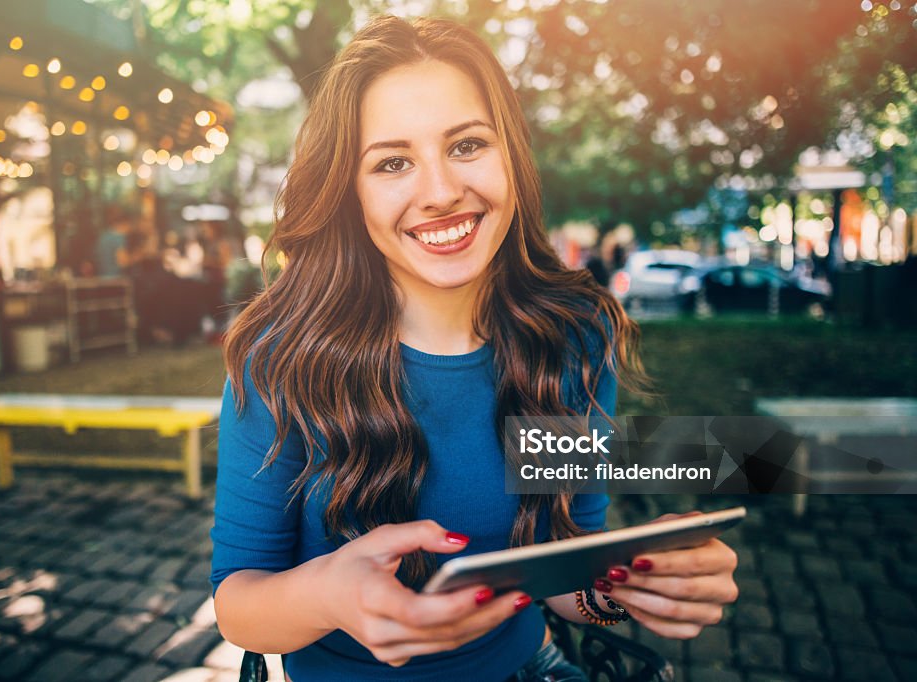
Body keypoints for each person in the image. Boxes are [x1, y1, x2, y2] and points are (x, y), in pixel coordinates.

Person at [211, 15, 738, 682]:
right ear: (352, 189)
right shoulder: (278, 361)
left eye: (466, 146)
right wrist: (327, 596)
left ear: (510, 155)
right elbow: (238, 607)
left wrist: (628, 586)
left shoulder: (572, 338)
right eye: (393, 162)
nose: (440, 193)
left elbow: (560, 575)